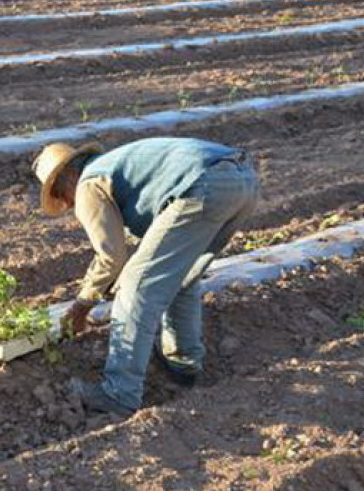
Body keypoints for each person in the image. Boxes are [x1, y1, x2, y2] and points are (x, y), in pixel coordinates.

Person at [32, 137, 259, 416]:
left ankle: (119, 393)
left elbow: (111, 257)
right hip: (242, 178)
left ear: (66, 179)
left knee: (135, 286)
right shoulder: (114, 167)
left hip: (201, 184)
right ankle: (183, 363)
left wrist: (82, 306)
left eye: (60, 197)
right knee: (182, 277)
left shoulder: (88, 185)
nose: (66, 205)